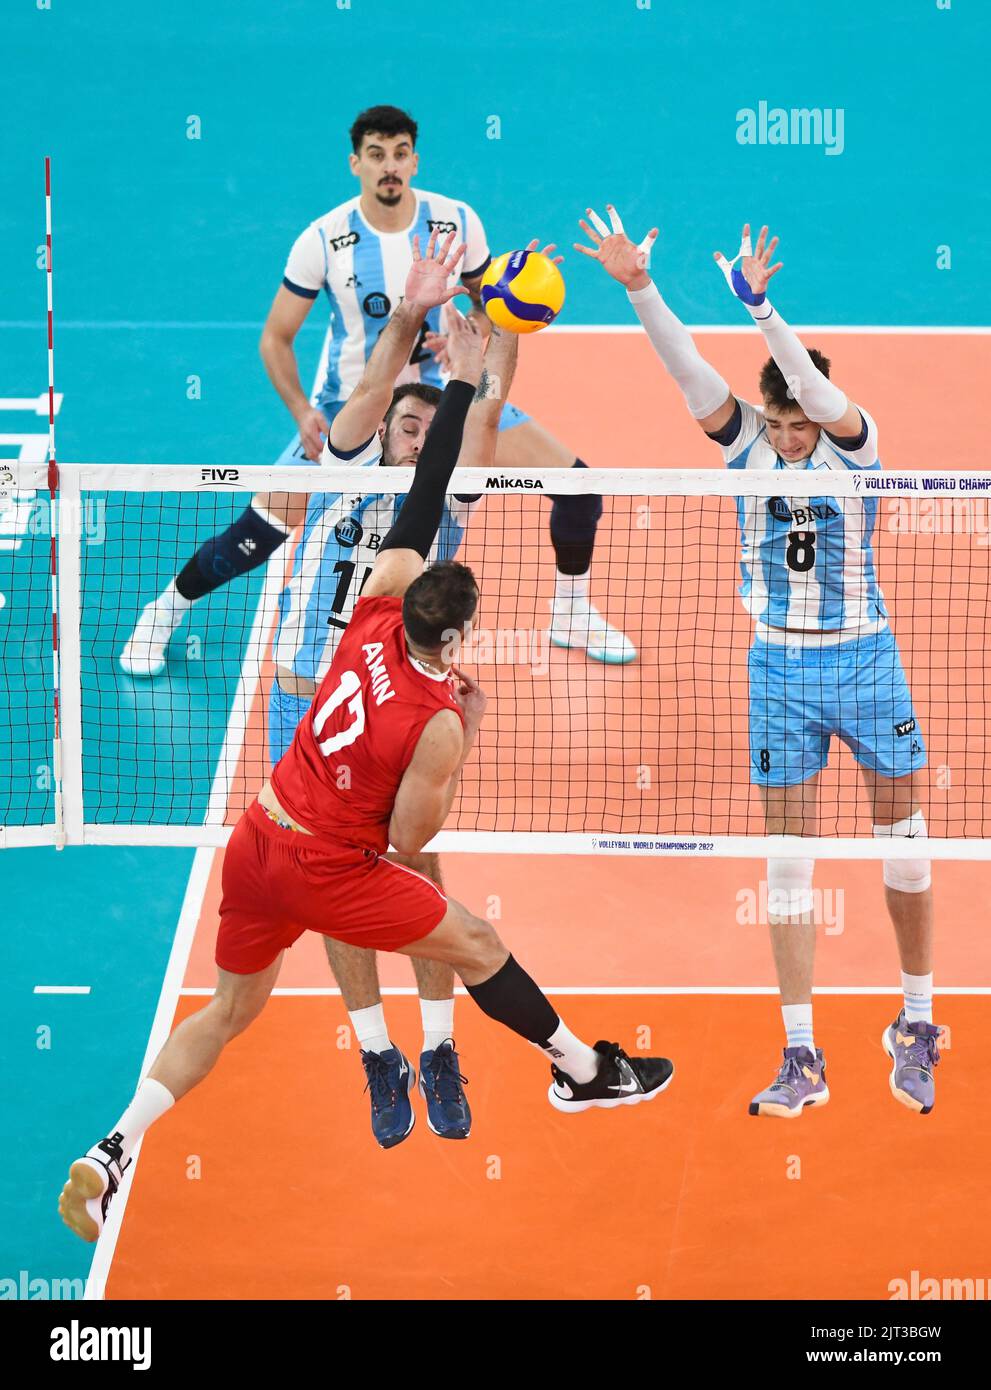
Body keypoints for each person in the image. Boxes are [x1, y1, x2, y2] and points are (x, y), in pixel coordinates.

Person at [59, 233, 673, 1245]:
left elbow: (438, 475)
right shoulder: (434, 712)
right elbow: (403, 835)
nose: (413, 423)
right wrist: (446, 349)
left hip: (264, 829)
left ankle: (116, 1146)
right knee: (464, 931)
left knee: (225, 1009)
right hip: (334, 831)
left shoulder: (378, 604)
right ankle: (580, 1069)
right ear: (461, 634)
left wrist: (476, 364)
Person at [577, 205, 942, 1118]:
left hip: (865, 661)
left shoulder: (855, 448)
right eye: (774, 421)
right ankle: (799, 1053)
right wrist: (641, 290)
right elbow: (686, 371)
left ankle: (917, 1022)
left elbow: (824, 401)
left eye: (794, 422)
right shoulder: (743, 446)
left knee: (903, 844)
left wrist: (762, 311)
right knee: (787, 863)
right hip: (776, 670)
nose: (785, 435)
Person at [119, 104, 634, 679]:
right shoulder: (322, 239)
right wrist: (301, 409)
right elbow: (275, 338)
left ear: (414, 159)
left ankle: (571, 613)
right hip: (357, 412)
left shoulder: (457, 219)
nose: (390, 166)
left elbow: (487, 307)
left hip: (448, 398)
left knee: (581, 489)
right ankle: (164, 611)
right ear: (356, 163)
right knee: (257, 534)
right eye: (376, 155)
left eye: (400, 154)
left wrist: (476, 329)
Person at [269, 250, 525, 1147]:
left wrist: (494, 341)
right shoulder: (339, 460)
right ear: (380, 431)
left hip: (399, 708)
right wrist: (408, 317)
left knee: (413, 867)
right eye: (404, 426)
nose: (417, 437)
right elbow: (377, 378)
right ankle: (378, 1054)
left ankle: (441, 1044)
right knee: (332, 889)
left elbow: (476, 416)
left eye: (427, 430)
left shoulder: (441, 509)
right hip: (308, 700)